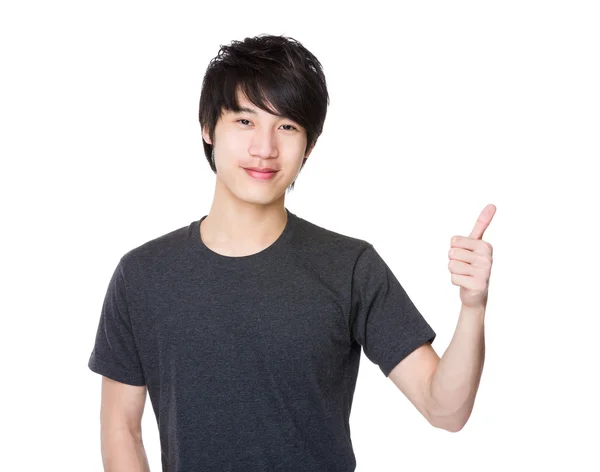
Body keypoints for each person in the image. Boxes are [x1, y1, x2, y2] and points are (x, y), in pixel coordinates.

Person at [88, 33, 464, 472]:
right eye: (245, 121)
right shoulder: (143, 275)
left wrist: (473, 307)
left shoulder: (349, 268)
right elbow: (121, 429)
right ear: (208, 128)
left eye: (286, 126)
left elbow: (445, 409)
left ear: (309, 144)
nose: (264, 149)